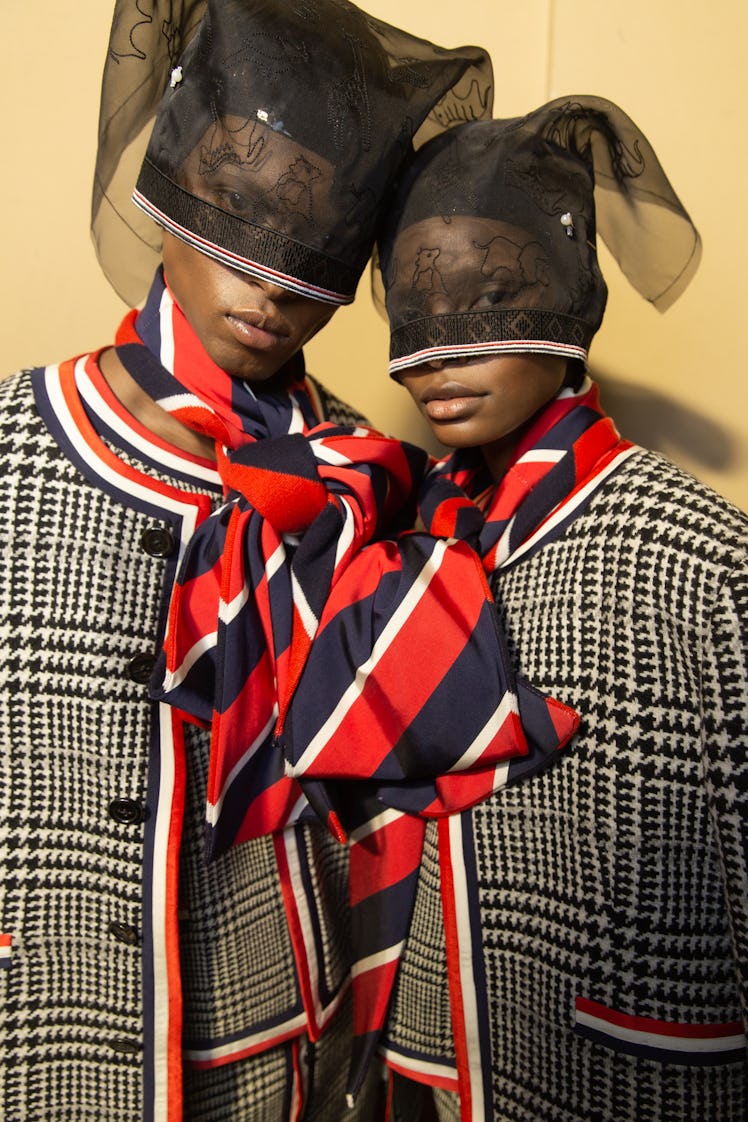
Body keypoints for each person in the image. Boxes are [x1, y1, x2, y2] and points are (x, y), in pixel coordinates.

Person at [0, 1, 492, 1119]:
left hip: (271, 1050)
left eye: (317, 239)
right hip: (38, 1034)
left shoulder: (361, 482)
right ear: (165, 186)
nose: (272, 285)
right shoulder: (12, 452)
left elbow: (393, 802)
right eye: (239, 214)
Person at [363, 97, 747, 1121]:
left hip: (622, 1076)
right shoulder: (405, 536)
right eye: (416, 304)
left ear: (568, 306)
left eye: (493, 295)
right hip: (423, 1067)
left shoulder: (693, 554)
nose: (438, 357)